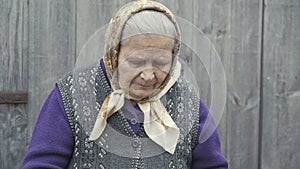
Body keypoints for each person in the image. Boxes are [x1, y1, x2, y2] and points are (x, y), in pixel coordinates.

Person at [22, 0, 228, 168]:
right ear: (114, 54)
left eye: (161, 63)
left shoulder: (188, 102)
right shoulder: (72, 94)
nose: (148, 75)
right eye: (136, 62)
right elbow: (42, 164)